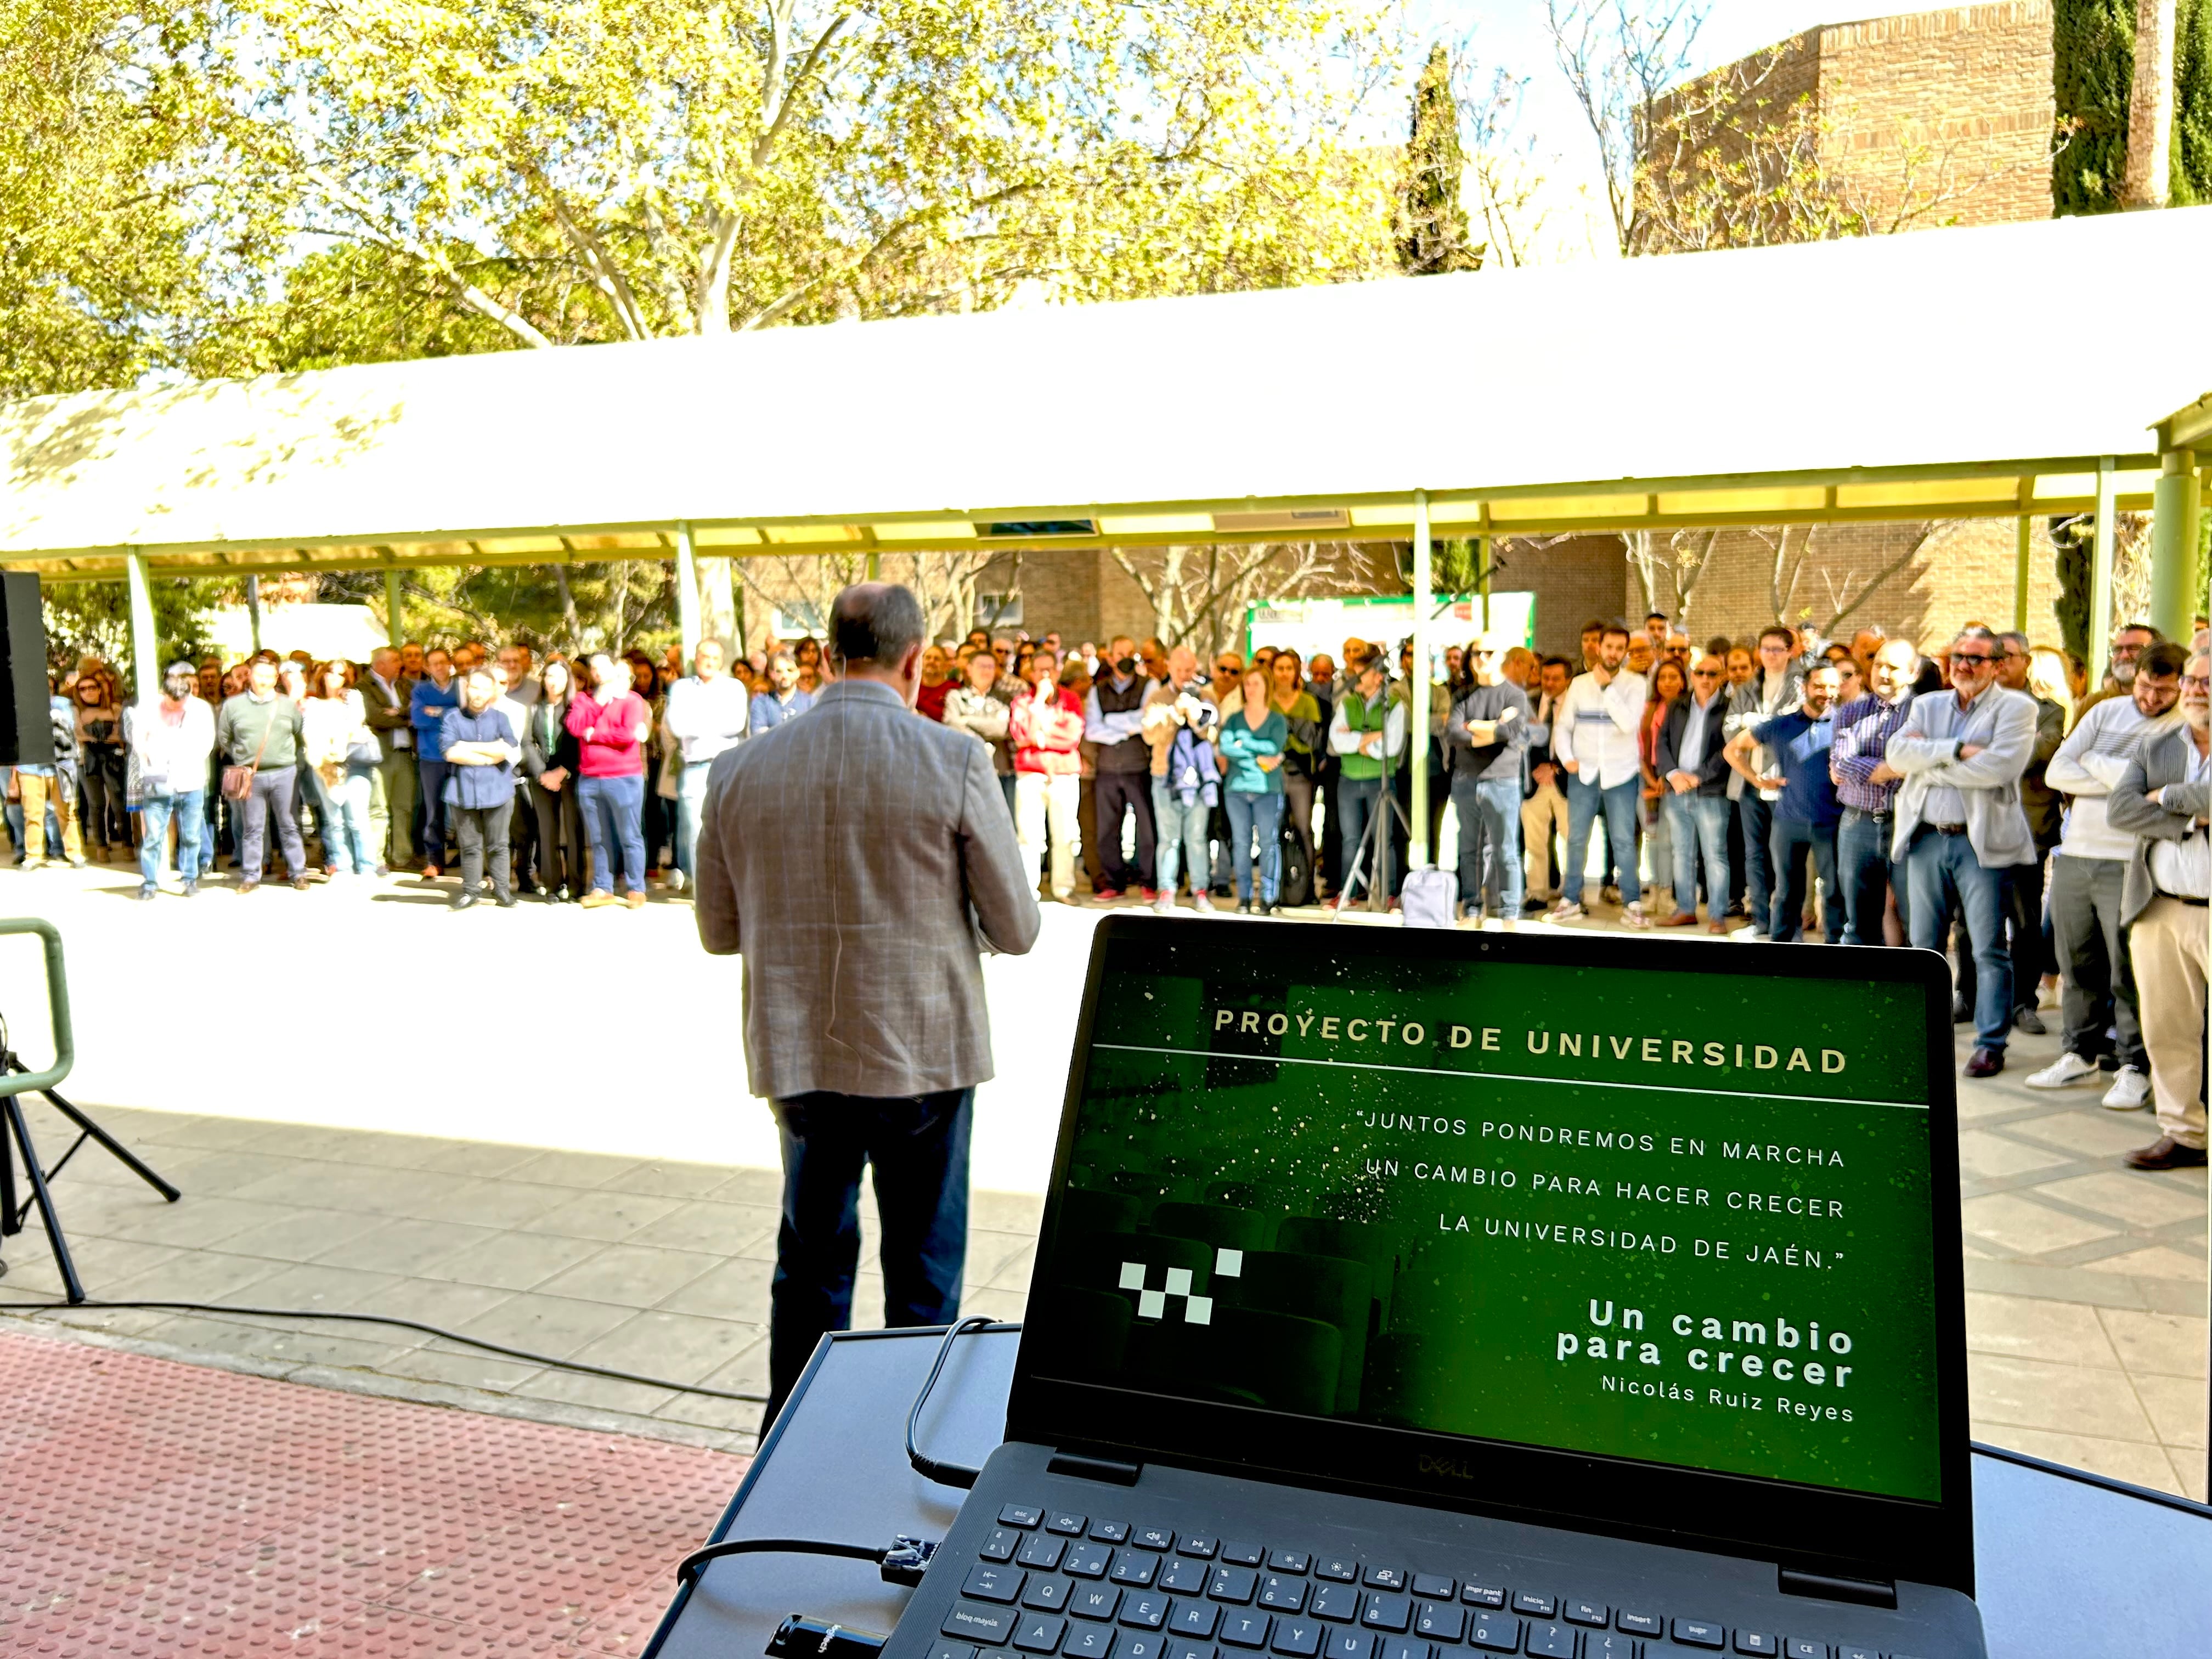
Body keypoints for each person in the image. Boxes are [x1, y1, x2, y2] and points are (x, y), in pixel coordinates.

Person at [694, 582, 1039, 1428]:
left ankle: (792, 1456)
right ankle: (904, 1458)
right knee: (924, 1276)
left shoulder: (740, 769)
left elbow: (716, 929)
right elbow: (1018, 927)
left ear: (823, 655)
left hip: (803, 1055)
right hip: (924, 1057)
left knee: (809, 1268)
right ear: (915, 658)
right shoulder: (953, 760)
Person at [2032, 640, 2185, 1107]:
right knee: (2076, 960)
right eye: (2144, 686)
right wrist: (2126, 779)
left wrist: (2097, 765)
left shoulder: (2185, 728)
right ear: (2132, 677)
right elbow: (2058, 772)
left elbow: (2167, 790)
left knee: (2128, 969)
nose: (2151, 699)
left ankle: (2136, 1066)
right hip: (2077, 854)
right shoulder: (2104, 713)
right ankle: (2079, 1055)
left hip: (2133, 861)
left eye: (2162, 691)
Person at [1887, 627, 2037, 1077]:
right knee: (1923, 947)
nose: (1964, 666)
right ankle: (1918, 1033)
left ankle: (1991, 1044)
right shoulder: (1927, 704)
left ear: (1996, 665)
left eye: (1976, 658)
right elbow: (1897, 756)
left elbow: (1999, 768)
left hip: (1980, 843)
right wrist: (1955, 750)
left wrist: (1928, 766)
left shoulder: (2018, 708)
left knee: (1989, 947)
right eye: (1958, 657)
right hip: (1926, 838)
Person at [2107, 648, 2212, 1170]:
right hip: (2160, 908)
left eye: (2207, 682)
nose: (2195, 690)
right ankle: (2185, 1133)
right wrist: (2194, 816)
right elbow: (2122, 810)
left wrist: (2166, 795)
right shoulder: (2158, 744)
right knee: (2167, 1029)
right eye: (2191, 680)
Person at [1727, 662, 1843, 942]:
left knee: (1834, 891)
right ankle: (1782, 949)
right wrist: (1757, 780)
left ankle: (1837, 950)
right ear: (1805, 688)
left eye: (1832, 687)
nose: (1825, 693)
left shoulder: (1845, 723)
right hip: (1789, 820)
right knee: (1787, 891)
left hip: (1832, 822)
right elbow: (1733, 749)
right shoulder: (1782, 725)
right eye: (1818, 686)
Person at [1551, 625, 1650, 927]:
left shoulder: (1635, 684)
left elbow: (1627, 725)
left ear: (1625, 652)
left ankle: (1632, 904)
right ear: (1599, 648)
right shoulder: (1579, 685)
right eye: (1609, 647)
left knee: (1623, 840)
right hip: (1583, 773)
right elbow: (1564, 727)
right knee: (1577, 839)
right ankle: (1570, 899)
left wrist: (1607, 689)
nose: (1614, 653)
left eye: (1620, 649)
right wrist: (1567, 759)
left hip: (1621, 774)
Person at [1993, 630, 2065, 1035]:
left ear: (2026, 662)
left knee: (2024, 923)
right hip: (1976, 831)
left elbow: (2036, 754)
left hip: (2028, 832)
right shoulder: (1970, 708)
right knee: (1973, 923)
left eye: (2009, 655)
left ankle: (2024, 1003)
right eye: (1995, 655)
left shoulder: (2050, 712)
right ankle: (1970, 995)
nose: (2000, 661)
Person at [1829, 639, 1920, 947]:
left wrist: (1866, 768)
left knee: (1915, 919)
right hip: (1858, 824)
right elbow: (1841, 766)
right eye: (1878, 664)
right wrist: (1900, 766)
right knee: (1858, 923)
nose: (1882, 672)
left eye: (1892, 667)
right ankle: (1860, 991)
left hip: (1910, 825)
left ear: (1912, 673)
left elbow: (1927, 763)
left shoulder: (1925, 712)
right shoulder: (1851, 711)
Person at [1723, 627, 1806, 939]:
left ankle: (1788, 926)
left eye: (1777, 649)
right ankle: (1760, 921)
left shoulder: (1801, 685)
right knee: (1754, 854)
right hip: (1750, 782)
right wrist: (1759, 728)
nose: (1771, 655)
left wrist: (1753, 724)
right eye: (1766, 649)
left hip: (1785, 784)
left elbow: (1793, 727)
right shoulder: (1748, 686)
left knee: (1786, 858)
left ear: (1790, 651)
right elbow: (1730, 729)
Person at [1443, 634, 1531, 924]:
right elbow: (1454, 734)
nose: (1482, 658)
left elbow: (1510, 733)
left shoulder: (1515, 695)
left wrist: (1475, 729)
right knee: (1469, 849)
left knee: (1506, 850)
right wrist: (1493, 729)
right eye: (1476, 653)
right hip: (1466, 780)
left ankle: (1510, 913)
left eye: (1489, 652)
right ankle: (1471, 907)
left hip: (1502, 781)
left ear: (1502, 656)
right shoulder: (1462, 695)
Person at [1653, 652, 1735, 931]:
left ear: (1722, 678)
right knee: (1682, 853)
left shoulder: (1729, 708)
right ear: (1692, 675)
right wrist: (1673, 775)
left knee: (1715, 855)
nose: (1705, 679)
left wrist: (1698, 777)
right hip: (1676, 790)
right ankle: (1685, 909)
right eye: (1700, 673)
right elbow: (1661, 742)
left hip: (1711, 793)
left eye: (1712, 674)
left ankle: (1717, 916)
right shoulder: (1677, 705)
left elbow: (1727, 750)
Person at [567, 652, 653, 909]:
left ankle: (636, 888)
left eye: (603, 667)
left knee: (630, 835)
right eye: (593, 668)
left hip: (624, 777)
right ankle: (602, 887)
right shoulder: (584, 700)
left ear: (615, 671)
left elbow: (628, 735)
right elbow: (574, 726)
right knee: (598, 837)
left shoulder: (632, 700)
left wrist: (594, 735)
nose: (598, 672)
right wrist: (598, 705)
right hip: (590, 779)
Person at [123, 661, 215, 900]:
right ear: (164, 694)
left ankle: (189, 878)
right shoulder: (149, 707)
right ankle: (150, 882)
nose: (176, 708)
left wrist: (185, 762)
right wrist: (150, 766)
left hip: (191, 780)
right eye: (171, 703)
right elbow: (138, 740)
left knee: (191, 834)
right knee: (154, 835)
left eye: (181, 704)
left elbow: (207, 744)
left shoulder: (200, 709)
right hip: (157, 779)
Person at [664, 639, 750, 892]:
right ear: (696, 658)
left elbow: (735, 723)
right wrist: (713, 718)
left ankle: (731, 888)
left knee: (730, 827)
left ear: (721, 661)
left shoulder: (734, 687)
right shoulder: (681, 688)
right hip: (694, 768)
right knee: (695, 830)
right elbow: (678, 727)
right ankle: (703, 891)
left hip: (727, 765)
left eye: (715, 657)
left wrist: (697, 720)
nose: (709, 662)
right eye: (705, 656)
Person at [216, 657, 309, 892]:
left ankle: (298, 873)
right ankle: (250, 876)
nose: (264, 681)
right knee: (253, 828)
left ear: (276, 679)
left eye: (269, 676)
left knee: (289, 825)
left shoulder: (288, 705)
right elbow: (224, 738)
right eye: (259, 676)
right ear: (250, 677)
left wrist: (288, 760)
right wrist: (243, 756)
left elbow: (298, 735)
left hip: (284, 773)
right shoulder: (233, 706)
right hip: (251, 775)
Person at [1142, 646, 1221, 912]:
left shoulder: (1207, 696)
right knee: (1169, 839)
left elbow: (1214, 736)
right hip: (1165, 776)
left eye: (1190, 670)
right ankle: (1167, 891)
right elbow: (1150, 736)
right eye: (1180, 670)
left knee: (1197, 838)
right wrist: (1175, 713)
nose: (1185, 676)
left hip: (1198, 778)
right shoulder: (1158, 697)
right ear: (1169, 669)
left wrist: (1197, 717)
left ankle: (1200, 890)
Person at [1327, 658, 1406, 907]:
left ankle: (1389, 893)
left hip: (1379, 780)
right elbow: (1337, 743)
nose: (1354, 679)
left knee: (1385, 839)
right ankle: (1347, 892)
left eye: (1360, 675)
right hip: (1349, 780)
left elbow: (1391, 747)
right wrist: (1372, 738)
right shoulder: (1347, 703)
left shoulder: (1395, 705)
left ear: (1377, 677)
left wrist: (1355, 739)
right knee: (1350, 839)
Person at [441, 668, 523, 909]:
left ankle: (502, 891)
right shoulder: (452, 718)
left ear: (492, 691)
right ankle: (471, 891)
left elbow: (505, 750)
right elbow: (451, 752)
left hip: (498, 791)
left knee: (499, 845)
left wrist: (468, 746)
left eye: (484, 688)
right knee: (469, 846)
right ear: (467, 688)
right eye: (474, 687)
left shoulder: (500, 718)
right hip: (463, 791)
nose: (478, 693)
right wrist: (488, 755)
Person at [1084, 638, 1156, 902]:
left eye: (1130, 653)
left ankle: (1149, 882)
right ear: (1111, 658)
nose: (1125, 658)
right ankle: (1114, 883)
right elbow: (1091, 729)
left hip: (1138, 766)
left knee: (1147, 828)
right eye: (1120, 654)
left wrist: (1111, 722)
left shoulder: (1149, 685)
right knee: (1106, 829)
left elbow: (1146, 721)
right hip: (1107, 769)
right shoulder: (1098, 690)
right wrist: (1127, 727)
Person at [1009, 648, 1084, 902]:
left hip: (1064, 774)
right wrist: (1038, 703)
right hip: (1031, 774)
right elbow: (1020, 735)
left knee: (1065, 835)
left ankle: (1064, 887)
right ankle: (1029, 892)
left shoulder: (1071, 700)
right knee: (1029, 838)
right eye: (1039, 670)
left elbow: (1072, 736)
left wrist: (1040, 737)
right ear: (1031, 674)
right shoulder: (1022, 702)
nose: (1044, 674)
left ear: (1058, 671)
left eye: (1049, 669)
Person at [1217, 666, 1288, 915]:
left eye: (1256, 683)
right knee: (1241, 843)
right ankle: (1245, 898)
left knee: (1269, 843)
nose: (1251, 689)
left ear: (1267, 686)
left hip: (1267, 790)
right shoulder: (1235, 719)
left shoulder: (1277, 720)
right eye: (1247, 684)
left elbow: (1274, 746)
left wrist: (1244, 744)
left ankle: (1269, 897)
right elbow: (1226, 747)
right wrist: (1258, 759)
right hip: (1237, 789)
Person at [301, 660, 376, 879]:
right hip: (324, 766)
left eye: (341, 674)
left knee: (358, 819)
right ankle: (343, 866)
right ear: (322, 676)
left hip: (353, 765)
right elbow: (309, 734)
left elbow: (356, 725)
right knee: (335, 820)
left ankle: (367, 866)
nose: (335, 677)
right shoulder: (313, 704)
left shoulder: (353, 700)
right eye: (330, 672)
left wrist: (349, 699)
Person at [523, 658, 586, 901]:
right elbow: (527, 743)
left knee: (573, 831)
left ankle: (576, 885)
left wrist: (561, 771)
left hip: (569, 775)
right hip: (541, 778)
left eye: (559, 677)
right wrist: (542, 773)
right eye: (549, 676)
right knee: (547, 831)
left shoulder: (574, 706)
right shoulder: (535, 707)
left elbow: (577, 743)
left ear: (568, 680)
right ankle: (552, 885)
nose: (553, 681)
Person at [1265, 647, 1322, 897]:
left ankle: (1308, 888)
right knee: (1273, 831)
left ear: (1296, 671)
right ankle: (1276, 888)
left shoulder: (1308, 701)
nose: (1285, 673)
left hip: (1300, 776)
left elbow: (1311, 741)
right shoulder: (1266, 702)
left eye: (1289, 668)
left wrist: (1286, 738)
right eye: (1280, 668)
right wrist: (1290, 733)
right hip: (1273, 775)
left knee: (1304, 829)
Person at [1520, 656, 1572, 914]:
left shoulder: (1577, 705)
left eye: (1556, 678)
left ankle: (1572, 894)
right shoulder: (1527, 702)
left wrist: (1554, 768)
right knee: (1535, 842)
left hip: (1566, 782)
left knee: (1571, 840)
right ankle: (1537, 893)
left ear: (1568, 680)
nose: (1549, 683)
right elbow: (1517, 743)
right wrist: (1535, 769)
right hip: (1534, 784)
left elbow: (1584, 742)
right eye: (1545, 677)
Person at [361, 646, 415, 872]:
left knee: (403, 806)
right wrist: (405, 717)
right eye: (395, 660)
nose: (400, 663)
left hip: (405, 753)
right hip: (381, 754)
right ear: (379, 664)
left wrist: (396, 712)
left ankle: (402, 856)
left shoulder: (404, 685)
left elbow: (417, 711)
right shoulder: (363, 687)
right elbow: (375, 718)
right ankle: (376, 858)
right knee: (378, 807)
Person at [410, 647, 460, 877]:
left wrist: (438, 712)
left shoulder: (462, 687)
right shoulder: (421, 690)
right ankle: (435, 861)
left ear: (450, 664)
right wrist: (451, 713)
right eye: (434, 664)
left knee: (465, 809)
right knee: (434, 813)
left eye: (443, 662)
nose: (439, 667)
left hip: (461, 754)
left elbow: (468, 716)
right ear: (427, 668)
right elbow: (418, 719)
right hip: (432, 757)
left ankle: (470, 860)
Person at [72, 673, 128, 862]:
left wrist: (94, 738)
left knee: (119, 802)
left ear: (99, 690)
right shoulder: (75, 711)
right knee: (96, 805)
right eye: (82, 688)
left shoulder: (115, 708)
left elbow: (120, 735)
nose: (87, 692)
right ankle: (101, 848)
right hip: (87, 761)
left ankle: (128, 844)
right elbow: (78, 734)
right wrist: (100, 738)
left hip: (113, 758)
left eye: (92, 687)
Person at [750, 651, 814, 732]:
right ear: (772, 674)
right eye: (779, 671)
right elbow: (759, 734)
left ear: (798, 673)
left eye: (790, 670)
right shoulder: (761, 702)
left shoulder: (810, 703)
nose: (785, 676)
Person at [2106, 622, 2159, 690]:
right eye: (2118, 650)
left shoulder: (2173, 699)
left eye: (2134, 648)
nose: (2124, 656)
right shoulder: (2096, 700)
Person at [916, 644, 956, 722]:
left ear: (945, 665)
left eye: (937, 659)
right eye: (928, 658)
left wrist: (919, 702)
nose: (931, 661)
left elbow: (947, 717)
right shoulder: (912, 685)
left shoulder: (953, 688)